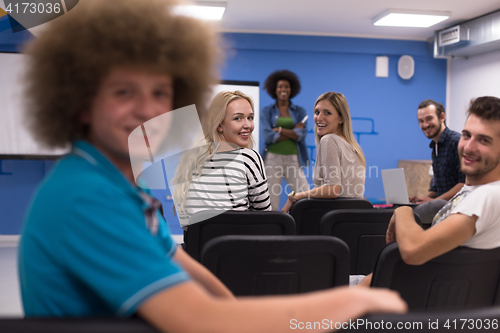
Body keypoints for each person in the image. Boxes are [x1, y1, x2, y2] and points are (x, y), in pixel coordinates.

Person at [18, 1, 407, 331]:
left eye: (160, 93)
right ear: (81, 101)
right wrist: (342, 304)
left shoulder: (119, 187)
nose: (146, 108)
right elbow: (205, 319)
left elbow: (198, 276)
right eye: (123, 91)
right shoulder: (85, 197)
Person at [360, 96, 500, 287]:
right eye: (466, 135)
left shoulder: (486, 196)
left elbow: (414, 249)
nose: (468, 146)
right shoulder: (475, 192)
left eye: (484, 140)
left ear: (442, 117)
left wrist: (403, 211)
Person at [172, 91, 271, 227]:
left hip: (197, 247)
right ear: (219, 125)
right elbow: (265, 219)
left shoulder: (189, 162)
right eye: (238, 118)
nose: (248, 125)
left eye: (250, 118)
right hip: (239, 246)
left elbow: (185, 224)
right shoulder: (248, 158)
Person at [282, 92, 366, 213]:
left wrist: (295, 197)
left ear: (341, 118)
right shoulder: (354, 147)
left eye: (327, 113)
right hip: (350, 222)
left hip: (333, 221)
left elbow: (332, 189)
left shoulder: (329, 140)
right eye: (317, 112)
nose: (319, 118)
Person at [411, 100, 465, 226]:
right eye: (421, 121)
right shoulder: (435, 147)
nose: (425, 125)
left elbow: (464, 184)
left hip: (456, 213)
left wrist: (434, 201)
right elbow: (437, 188)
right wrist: (423, 199)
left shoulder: (457, 142)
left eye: (429, 119)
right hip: (440, 211)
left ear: (442, 117)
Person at [261, 70, 309, 210]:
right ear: (274, 89)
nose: (283, 89)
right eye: (280, 86)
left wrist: (280, 130)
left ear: (291, 89)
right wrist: (293, 131)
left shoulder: (299, 111)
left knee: (305, 195)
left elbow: (302, 135)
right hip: (271, 159)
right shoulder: (267, 111)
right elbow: (268, 137)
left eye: (286, 86)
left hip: (294, 158)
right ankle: (271, 230)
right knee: (271, 200)